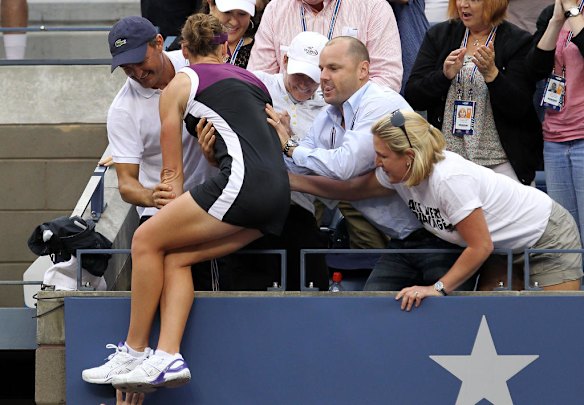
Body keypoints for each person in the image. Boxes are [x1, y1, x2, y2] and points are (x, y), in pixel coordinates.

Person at [82, 13, 290, 392]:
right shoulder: (253, 79)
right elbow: (268, 137)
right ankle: (168, 357)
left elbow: (171, 179)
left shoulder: (179, 83)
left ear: (173, 47)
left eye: (140, 63)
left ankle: (134, 351)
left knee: (146, 240)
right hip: (277, 197)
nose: (136, 73)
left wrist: (169, 201)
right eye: (126, 68)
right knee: (177, 256)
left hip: (238, 187)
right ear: (224, 47)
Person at [290, 110, 583, 310]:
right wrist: (294, 182)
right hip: (502, 247)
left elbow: (480, 246)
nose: (376, 162)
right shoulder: (399, 174)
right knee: (494, 316)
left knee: (553, 319)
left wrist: (437, 288)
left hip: (546, 236)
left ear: (408, 156)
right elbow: (351, 190)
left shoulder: (448, 179)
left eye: (382, 156)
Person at [267, 37, 476, 292]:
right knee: (372, 308)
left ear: (363, 70)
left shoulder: (379, 103)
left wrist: (290, 147)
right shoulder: (328, 116)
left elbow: (345, 166)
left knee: (448, 316)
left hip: (440, 235)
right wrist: (280, 145)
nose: (323, 76)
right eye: (321, 68)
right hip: (404, 239)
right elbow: (298, 168)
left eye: (333, 68)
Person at [405, 0, 542, 185]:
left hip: (501, 162)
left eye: (473, 0)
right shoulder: (440, 35)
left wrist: (493, 75)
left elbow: (520, 107)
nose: (463, 5)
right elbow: (414, 96)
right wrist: (443, 76)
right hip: (449, 159)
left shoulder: (518, 40)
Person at [247, 0, 404, 92]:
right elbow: (257, 79)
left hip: (351, 126)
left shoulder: (373, 7)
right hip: (288, 124)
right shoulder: (276, 9)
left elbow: (387, 79)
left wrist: (341, 111)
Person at [526, 0, 584, 239]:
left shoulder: (572, 10)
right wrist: (556, 22)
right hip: (554, 138)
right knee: (565, 236)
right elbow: (533, 69)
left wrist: (572, 11)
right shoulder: (552, 13)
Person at [169, 0, 256, 68]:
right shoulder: (187, 41)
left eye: (242, 14)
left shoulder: (260, 52)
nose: (234, 22)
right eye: (227, 12)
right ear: (210, 4)